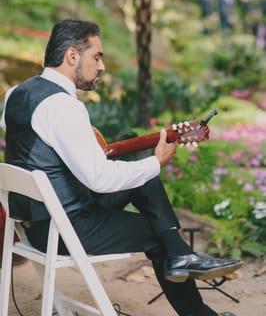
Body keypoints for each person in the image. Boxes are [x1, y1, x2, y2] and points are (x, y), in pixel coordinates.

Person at [0, 20, 241, 316]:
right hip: (65, 229)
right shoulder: (64, 107)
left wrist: (142, 164)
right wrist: (156, 162)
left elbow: (31, 142)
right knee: (160, 232)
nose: (102, 67)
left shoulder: (16, 94)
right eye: (97, 56)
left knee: (138, 168)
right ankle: (190, 283)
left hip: (35, 223)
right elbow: (99, 179)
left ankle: (181, 256)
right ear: (72, 56)